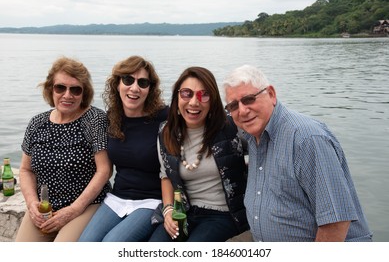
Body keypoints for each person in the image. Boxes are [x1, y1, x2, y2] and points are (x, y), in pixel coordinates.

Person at [223, 64, 373, 242]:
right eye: (233, 106)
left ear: (271, 94)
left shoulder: (306, 139)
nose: (242, 110)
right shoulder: (254, 135)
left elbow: (336, 223)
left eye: (248, 99)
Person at [15, 57, 112, 242]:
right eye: (60, 88)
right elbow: (26, 170)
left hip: (87, 204)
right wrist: (32, 203)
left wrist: (74, 209)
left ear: (84, 93)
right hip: (46, 207)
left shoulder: (95, 120)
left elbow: (104, 170)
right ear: (51, 89)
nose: (67, 95)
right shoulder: (37, 123)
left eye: (75, 90)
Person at [149, 66, 248, 242]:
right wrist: (169, 210)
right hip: (184, 211)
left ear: (212, 101)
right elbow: (165, 176)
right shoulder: (166, 131)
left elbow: (262, 143)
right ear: (177, 97)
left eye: (204, 95)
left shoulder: (230, 128)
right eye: (187, 93)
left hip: (223, 214)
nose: (194, 102)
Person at [78, 55, 168, 242]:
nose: (134, 88)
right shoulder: (113, 117)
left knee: (112, 244)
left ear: (149, 89)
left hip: (151, 201)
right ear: (117, 84)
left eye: (142, 83)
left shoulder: (163, 116)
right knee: (84, 244)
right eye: (128, 80)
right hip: (117, 198)